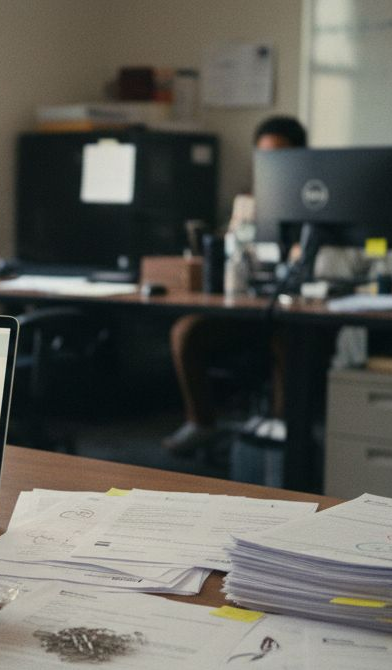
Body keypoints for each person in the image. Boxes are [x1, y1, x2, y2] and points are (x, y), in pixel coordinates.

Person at [161, 116, 307, 455]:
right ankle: (201, 422)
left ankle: (280, 431)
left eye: (280, 155)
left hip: (296, 314)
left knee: (287, 339)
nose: (271, 164)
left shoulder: (317, 200)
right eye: (264, 155)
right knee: (187, 330)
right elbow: (234, 254)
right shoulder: (249, 203)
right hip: (247, 310)